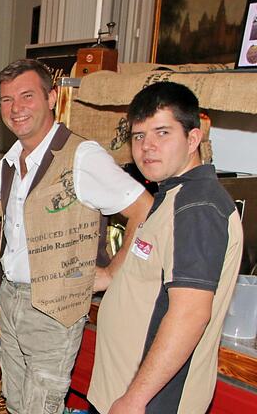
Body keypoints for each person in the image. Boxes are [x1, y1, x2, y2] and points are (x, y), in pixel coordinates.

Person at [0, 59, 152, 414]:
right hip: (11, 301)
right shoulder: (9, 161)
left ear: (52, 97)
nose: (16, 108)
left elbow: (144, 208)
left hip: (54, 309)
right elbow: (13, 236)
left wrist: (112, 274)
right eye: (7, 100)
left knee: (41, 407)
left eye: (27, 96)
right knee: (14, 401)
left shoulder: (82, 156)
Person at [87, 82, 243, 413]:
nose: (147, 147)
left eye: (162, 133)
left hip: (152, 403)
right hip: (126, 394)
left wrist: (135, 398)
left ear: (193, 138)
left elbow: (189, 313)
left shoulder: (198, 207)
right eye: (139, 136)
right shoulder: (171, 194)